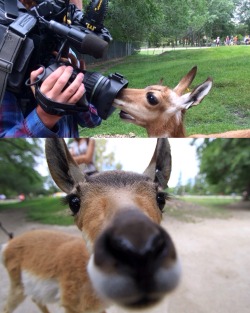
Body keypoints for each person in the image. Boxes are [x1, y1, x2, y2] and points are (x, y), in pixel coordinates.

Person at [0, 0, 102, 138]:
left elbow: (93, 120)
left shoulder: (64, 48)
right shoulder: (5, 48)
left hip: (66, 155)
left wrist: (78, 92)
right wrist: (46, 115)